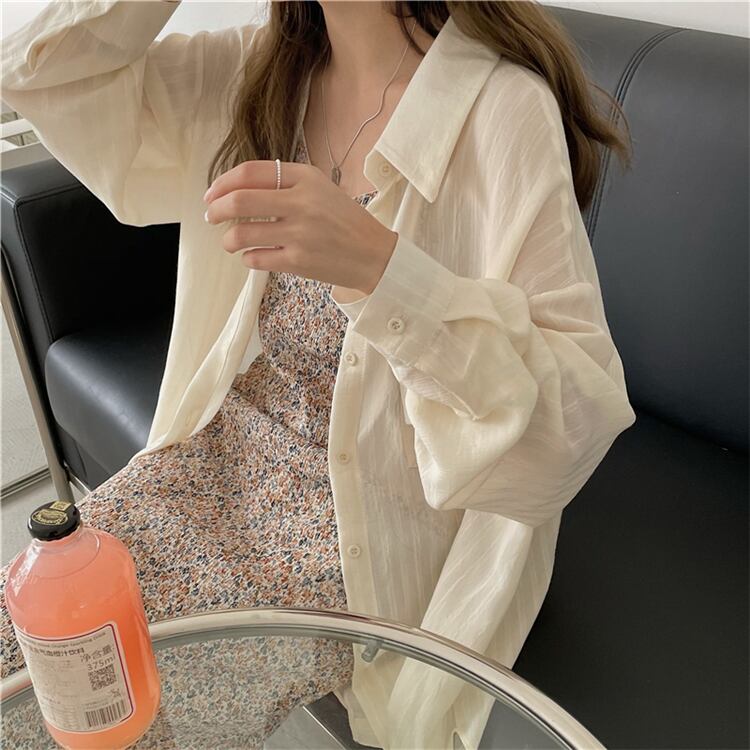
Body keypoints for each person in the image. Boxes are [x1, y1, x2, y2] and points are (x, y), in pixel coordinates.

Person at [0, 1, 637, 748]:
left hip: (364, 521)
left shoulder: (500, 108)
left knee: (126, 722)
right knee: (33, 644)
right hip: (218, 457)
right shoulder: (260, 73)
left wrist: (383, 270)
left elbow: (572, 419)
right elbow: (42, 74)